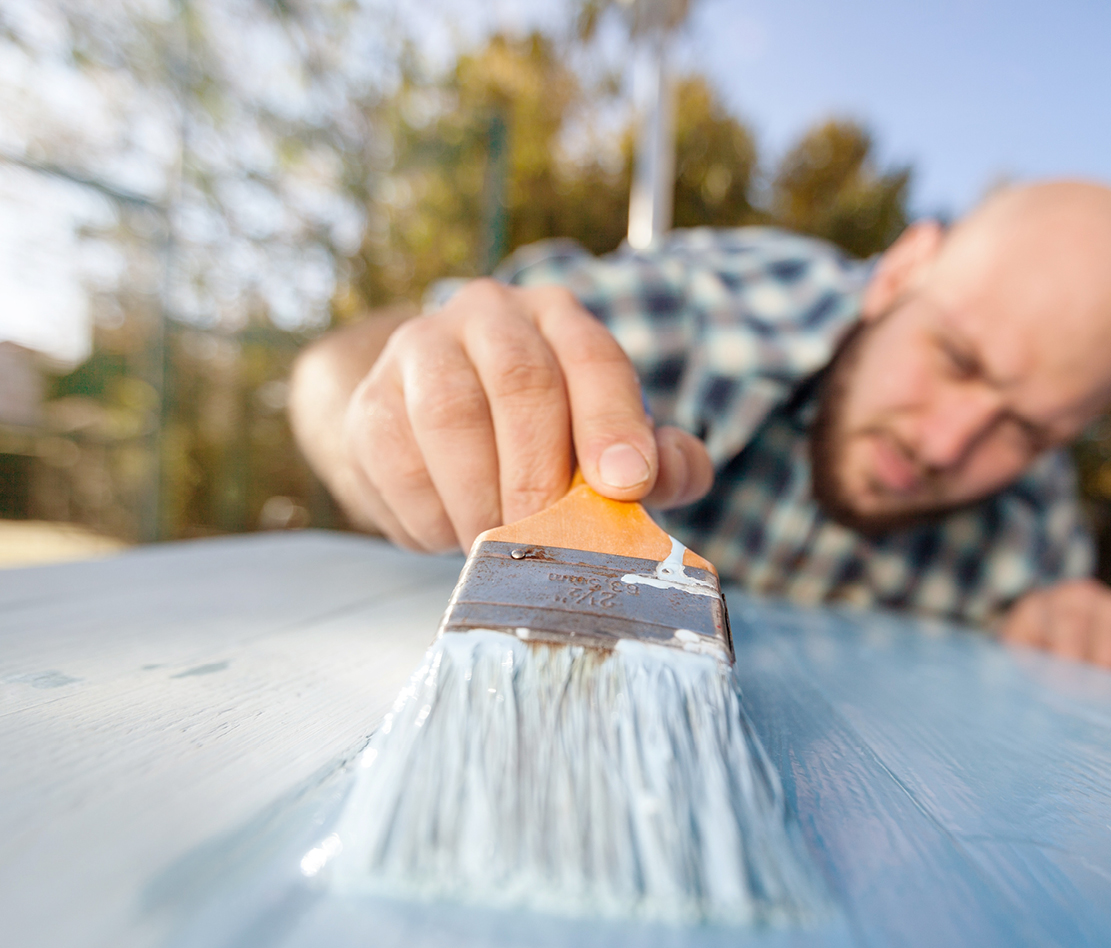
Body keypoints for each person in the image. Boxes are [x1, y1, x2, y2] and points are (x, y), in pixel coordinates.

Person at [290, 181, 1111, 668]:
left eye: (1027, 432)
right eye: (957, 358)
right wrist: (392, 415)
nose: (945, 446)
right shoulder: (697, 311)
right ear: (899, 272)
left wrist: (1059, 633)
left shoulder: (1033, 535)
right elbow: (340, 370)